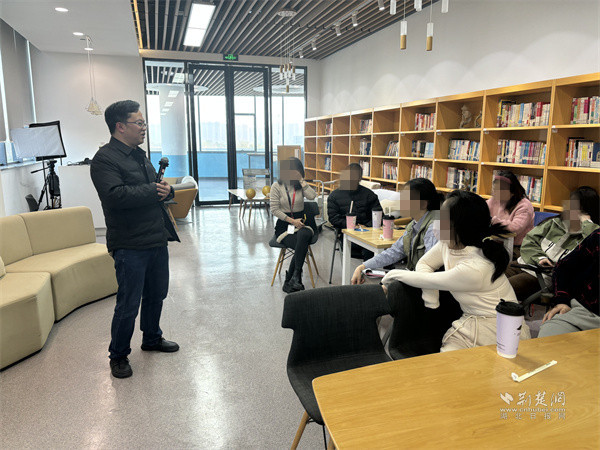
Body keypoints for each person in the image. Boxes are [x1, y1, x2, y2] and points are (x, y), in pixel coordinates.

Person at [91, 100, 180, 379]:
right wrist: (153, 191)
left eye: (144, 123)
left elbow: (155, 188)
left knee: (156, 294)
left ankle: (152, 338)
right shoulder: (104, 159)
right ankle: (118, 355)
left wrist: (168, 191)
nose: (144, 128)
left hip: (156, 237)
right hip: (129, 243)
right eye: (139, 123)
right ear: (120, 126)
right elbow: (114, 196)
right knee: (128, 304)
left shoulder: (140, 155)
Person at [382, 190, 531, 352]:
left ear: (459, 225)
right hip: (471, 321)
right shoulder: (449, 244)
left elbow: (426, 280)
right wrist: (431, 296)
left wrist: (390, 275)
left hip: (497, 330)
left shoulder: (476, 267)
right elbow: (424, 264)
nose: (437, 221)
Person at [506, 186, 600, 301]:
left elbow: (592, 249)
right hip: (526, 262)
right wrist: (539, 258)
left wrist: (587, 223)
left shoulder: (592, 233)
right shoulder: (554, 222)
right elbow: (529, 241)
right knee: (489, 279)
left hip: (545, 276)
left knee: (502, 289)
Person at [351, 178, 440, 284]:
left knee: (374, 285)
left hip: (428, 283)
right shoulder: (413, 224)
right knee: (365, 275)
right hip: (417, 277)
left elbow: (430, 268)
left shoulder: (435, 226)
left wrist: (394, 282)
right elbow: (394, 252)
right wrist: (363, 266)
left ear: (423, 204)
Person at [538, 229, 599, 337]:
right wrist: (562, 300)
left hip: (542, 269)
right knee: (548, 337)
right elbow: (564, 267)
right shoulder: (597, 236)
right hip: (584, 313)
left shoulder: (584, 225)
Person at [270, 157, 318, 293]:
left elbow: (312, 196)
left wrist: (302, 181)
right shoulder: (276, 186)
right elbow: (274, 209)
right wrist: (292, 221)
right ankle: (295, 277)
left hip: (302, 224)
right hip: (285, 226)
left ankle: (292, 278)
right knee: (302, 243)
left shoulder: (300, 185)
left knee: (304, 235)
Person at [327, 163, 381, 260]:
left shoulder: (369, 194)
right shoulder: (334, 196)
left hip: (369, 233)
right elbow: (333, 219)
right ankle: (368, 269)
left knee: (382, 248)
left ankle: (374, 268)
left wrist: (366, 226)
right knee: (370, 250)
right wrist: (351, 225)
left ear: (360, 179)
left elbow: (379, 215)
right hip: (348, 235)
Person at [486, 171, 534, 258]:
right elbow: (482, 211)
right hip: (496, 242)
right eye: (494, 189)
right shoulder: (494, 200)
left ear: (512, 192)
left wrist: (492, 221)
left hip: (517, 248)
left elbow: (514, 229)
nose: (495, 193)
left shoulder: (524, 206)